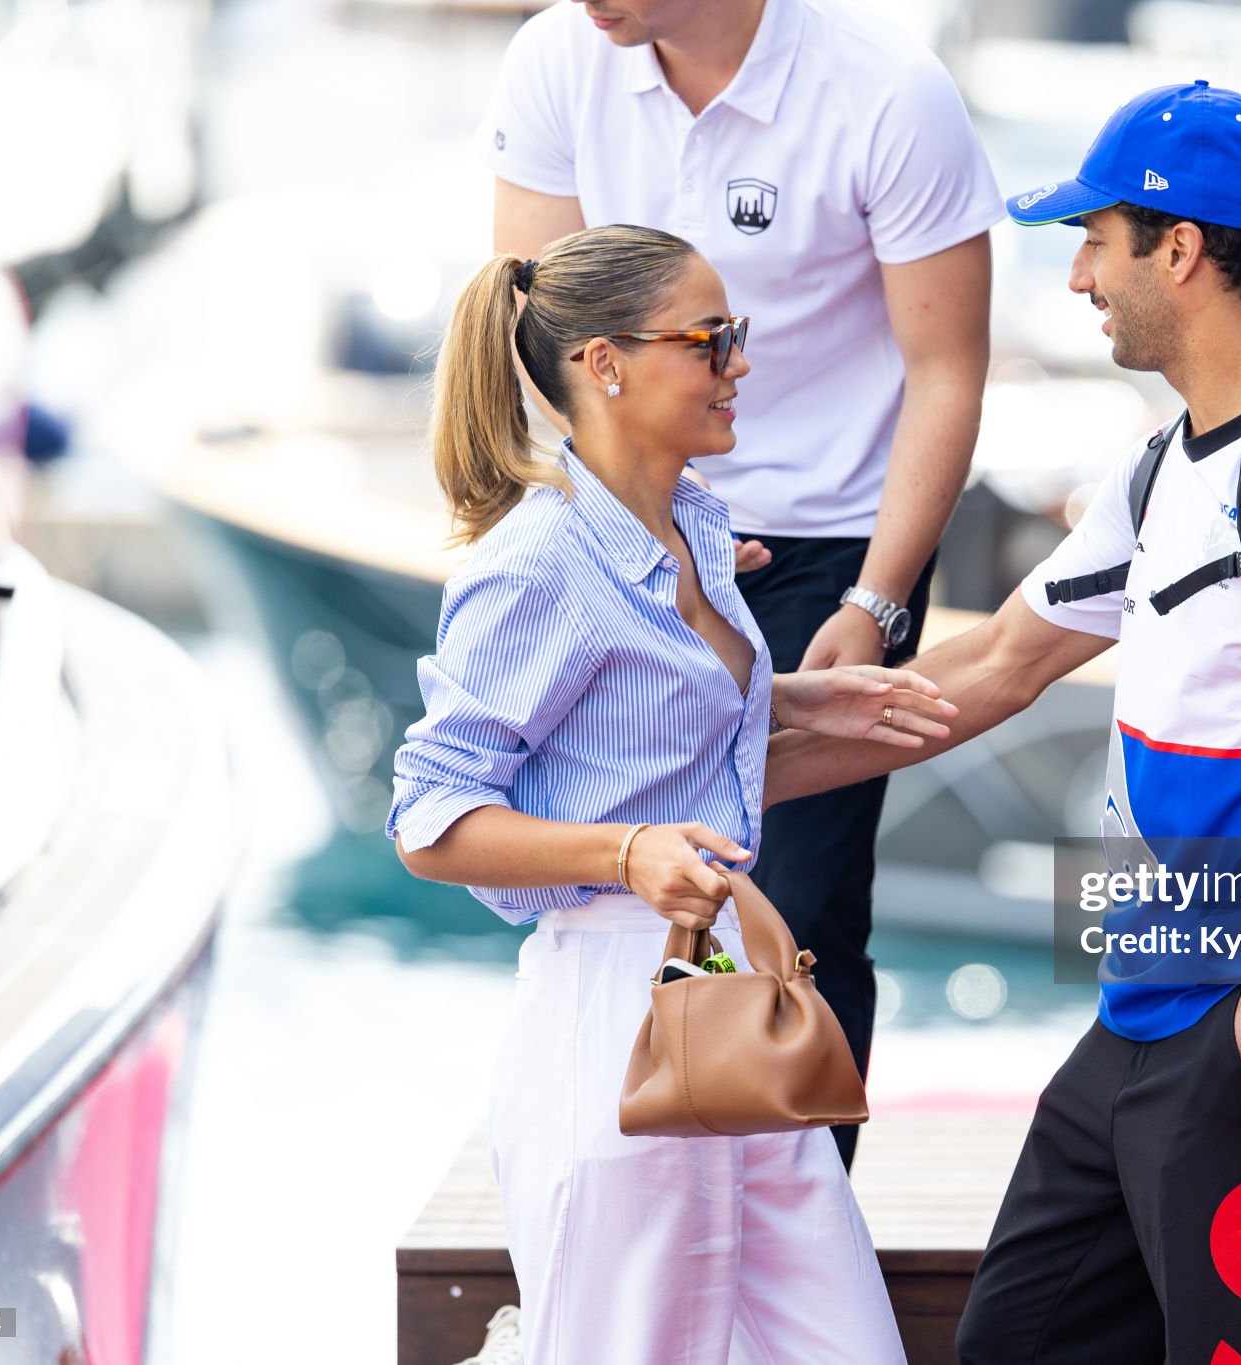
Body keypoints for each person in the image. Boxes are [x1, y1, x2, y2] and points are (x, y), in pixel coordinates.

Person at [768, 82, 1241, 1363]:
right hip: (1140, 1019)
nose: (1075, 281)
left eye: (1093, 242)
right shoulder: (1168, 461)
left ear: (1179, 247)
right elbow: (994, 665)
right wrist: (706, 782)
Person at [387, 227, 958, 1364]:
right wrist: (625, 852)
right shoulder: (534, 563)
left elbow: (650, 727)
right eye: (710, 340)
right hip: (610, 1019)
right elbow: (428, 818)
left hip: (730, 995)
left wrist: (791, 702)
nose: (738, 361)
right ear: (603, 364)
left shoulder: (694, 519)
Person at [479, 0, 1002, 1165]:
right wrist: (640, 543)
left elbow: (947, 373)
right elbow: (536, 347)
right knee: (609, 904)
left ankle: (791, 1223)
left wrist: (872, 603)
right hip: (628, 533)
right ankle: (642, 1202)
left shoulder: (885, 89)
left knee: (800, 911)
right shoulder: (555, 58)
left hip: (826, 556)